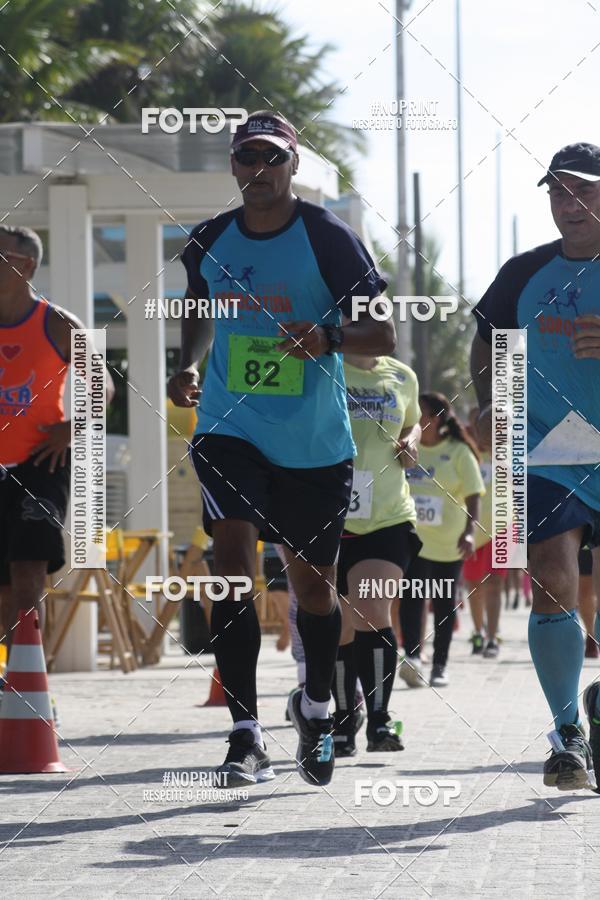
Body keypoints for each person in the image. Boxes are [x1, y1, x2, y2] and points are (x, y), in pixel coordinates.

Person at [168, 110, 394, 788]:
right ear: (234, 167)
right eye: (246, 159)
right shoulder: (209, 241)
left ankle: (317, 710)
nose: (258, 172)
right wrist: (188, 366)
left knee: (312, 587)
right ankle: (244, 734)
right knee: (232, 561)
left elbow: (380, 338)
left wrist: (326, 337)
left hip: (314, 440)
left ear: (293, 165)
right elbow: (200, 313)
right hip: (229, 427)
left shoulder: (329, 238)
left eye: (271, 159)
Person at [470, 142, 600, 790]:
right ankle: (566, 731)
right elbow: (490, 346)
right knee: (552, 580)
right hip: (554, 446)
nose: (569, 205)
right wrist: (491, 403)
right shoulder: (523, 274)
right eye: (557, 192)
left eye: (583, 191)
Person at [0, 225, 113, 659]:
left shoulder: (57, 323)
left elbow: (101, 384)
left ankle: (32, 690)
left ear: (24, 265)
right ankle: (13, 688)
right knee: (4, 587)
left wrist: (74, 426)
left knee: (27, 573)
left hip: (41, 464)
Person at [331, 351, 422, 756]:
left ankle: (381, 718)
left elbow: (413, 420)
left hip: (388, 514)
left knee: (371, 609)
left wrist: (413, 440)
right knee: (339, 623)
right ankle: (344, 713)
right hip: (328, 513)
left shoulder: (402, 374)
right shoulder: (324, 365)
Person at [400, 392, 484, 688]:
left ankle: (440, 665)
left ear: (435, 419)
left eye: (420, 413)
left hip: (449, 543)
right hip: (413, 539)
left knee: (443, 604)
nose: (414, 418)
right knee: (411, 599)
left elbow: (475, 495)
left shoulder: (459, 452)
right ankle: (411, 658)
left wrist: (470, 532)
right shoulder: (407, 448)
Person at [464, 407, 506, 658]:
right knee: (473, 586)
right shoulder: (464, 451)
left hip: (502, 525)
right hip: (469, 525)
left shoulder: (506, 453)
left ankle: (492, 638)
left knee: (494, 583)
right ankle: (478, 632)